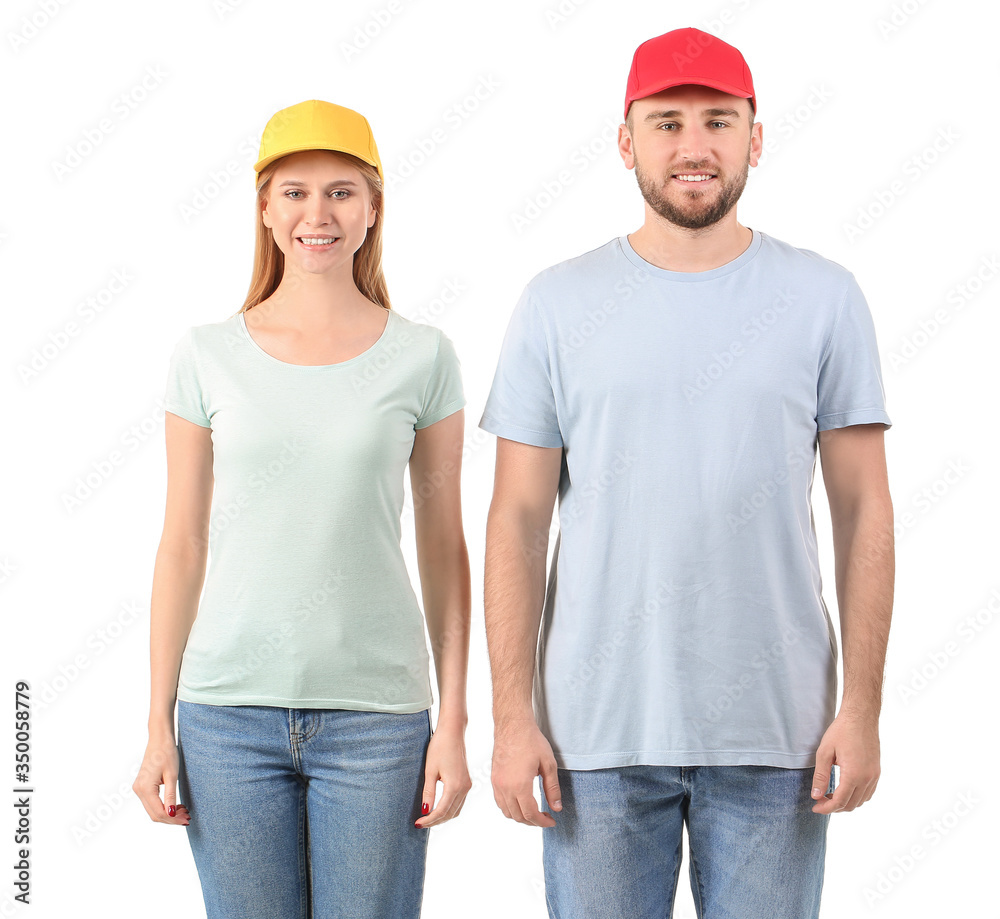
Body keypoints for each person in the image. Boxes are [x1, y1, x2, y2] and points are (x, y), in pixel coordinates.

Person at [479, 27, 893, 919]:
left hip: (779, 737)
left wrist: (861, 708)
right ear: (625, 142)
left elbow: (864, 509)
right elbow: (516, 518)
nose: (693, 145)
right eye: (666, 123)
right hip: (594, 736)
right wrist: (512, 717)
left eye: (718, 121)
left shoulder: (825, 297)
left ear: (756, 137)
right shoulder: (557, 302)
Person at [132, 99, 472, 919]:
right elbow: (181, 544)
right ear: (264, 207)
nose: (317, 214)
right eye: (294, 192)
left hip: (379, 721)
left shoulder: (423, 356)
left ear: (373, 208)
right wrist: (156, 724)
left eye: (341, 192)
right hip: (225, 719)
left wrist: (455, 722)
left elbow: (444, 547)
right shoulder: (205, 355)